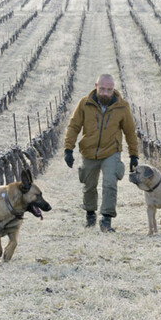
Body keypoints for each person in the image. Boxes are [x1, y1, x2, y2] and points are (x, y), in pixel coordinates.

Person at [63, 74, 139, 232]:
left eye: (109, 90)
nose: (105, 93)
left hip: (112, 151)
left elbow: (130, 132)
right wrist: (68, 149)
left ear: (113, 89)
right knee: (89, 185)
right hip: (89, 151)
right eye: (102, 89)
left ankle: (106, 220)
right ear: (96, 86)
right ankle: (90, 215)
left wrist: (134, 155)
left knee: (110, 183)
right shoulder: (85, 104)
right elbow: (74, 126)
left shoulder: (122, 107)